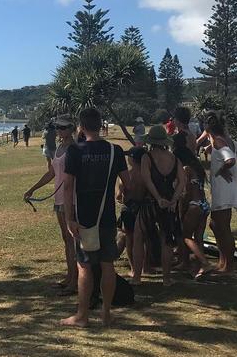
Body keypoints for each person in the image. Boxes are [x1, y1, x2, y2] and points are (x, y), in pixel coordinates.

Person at [61, 108, 129, 327]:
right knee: (108, 264)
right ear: (101, 125)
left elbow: (68, 187)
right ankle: (106, 313)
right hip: (107, 217)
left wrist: (69, 218)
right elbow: (127, 182)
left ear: (80, 127)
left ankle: (82, 315)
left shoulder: (75, 151)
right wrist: (120, 193)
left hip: (83, 218)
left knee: (85, 266)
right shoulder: (115, 151)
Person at [24, 114, 77, 295]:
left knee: (72, 240)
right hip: (59, 199)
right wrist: (33, 189)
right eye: (58, 127)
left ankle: (75, 281)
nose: (60, 131)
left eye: (63, 127)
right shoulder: (60, 148)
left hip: (71, 200)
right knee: (66, 240)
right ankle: (70, 276)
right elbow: (51, 173)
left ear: (72, 128)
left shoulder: (74, 149)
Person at [139, 126, 185, 287]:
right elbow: (182, 181)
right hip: (169, 201)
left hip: (151, 201)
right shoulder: (174, 158)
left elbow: (147, 180)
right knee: (167, 240)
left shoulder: (147, 157)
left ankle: (140, 273)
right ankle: (166, 278)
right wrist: (173, 199)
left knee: (141, 236)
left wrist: (158, 198)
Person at [202, 111, 237, 274]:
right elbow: (236, 148)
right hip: (224, 189)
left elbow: (230, 159)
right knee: (214, 224)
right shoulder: (221, 140)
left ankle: (228, 266)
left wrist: (222, 170)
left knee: (223, 227)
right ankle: (222, 261)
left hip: (225, 190)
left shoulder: (218, 141)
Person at [173, 141, 212, 279]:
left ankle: (204, 263)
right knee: (199, 238)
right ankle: (195, 266)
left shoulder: (185, 169)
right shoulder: (198, 168)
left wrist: (181, 208)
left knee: (186, 236)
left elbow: (186, 192)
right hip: (204, 204)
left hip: (194, 205)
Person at [117, 147, 147, 278]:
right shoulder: (147, 175)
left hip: (129, 208)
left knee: (130, 239)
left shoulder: (127, 175)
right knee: (143, 240)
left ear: (132, 159)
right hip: (143, 208)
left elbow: (119, 196)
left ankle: (134, 268)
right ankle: (145, 266)